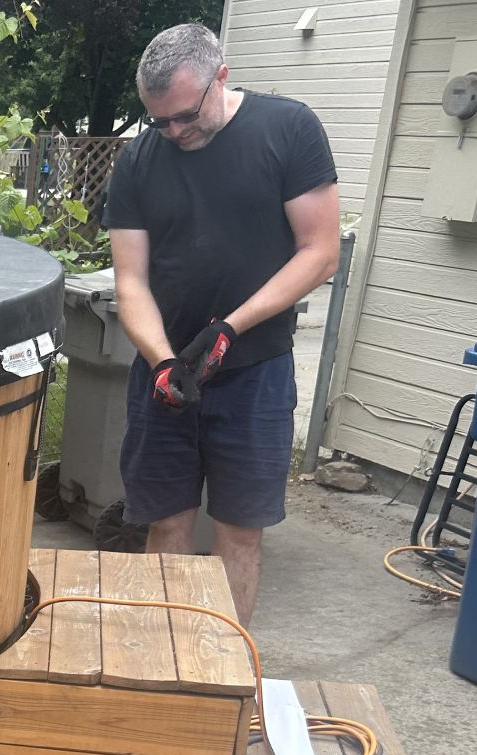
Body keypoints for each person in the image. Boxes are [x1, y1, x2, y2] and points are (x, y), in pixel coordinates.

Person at [102, 23, 340, 623]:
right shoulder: (139, 160)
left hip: (255, 374)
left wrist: (232, 326)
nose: (174, 132)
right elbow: (130, 279)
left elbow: (319, 250)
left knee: (239, 531)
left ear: (221, 78)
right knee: (167, 522)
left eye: (185, 115)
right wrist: (160, 360)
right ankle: (167, 662)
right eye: (159, 121)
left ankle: (225, 676)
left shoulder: (288, 130)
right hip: (166, 375)